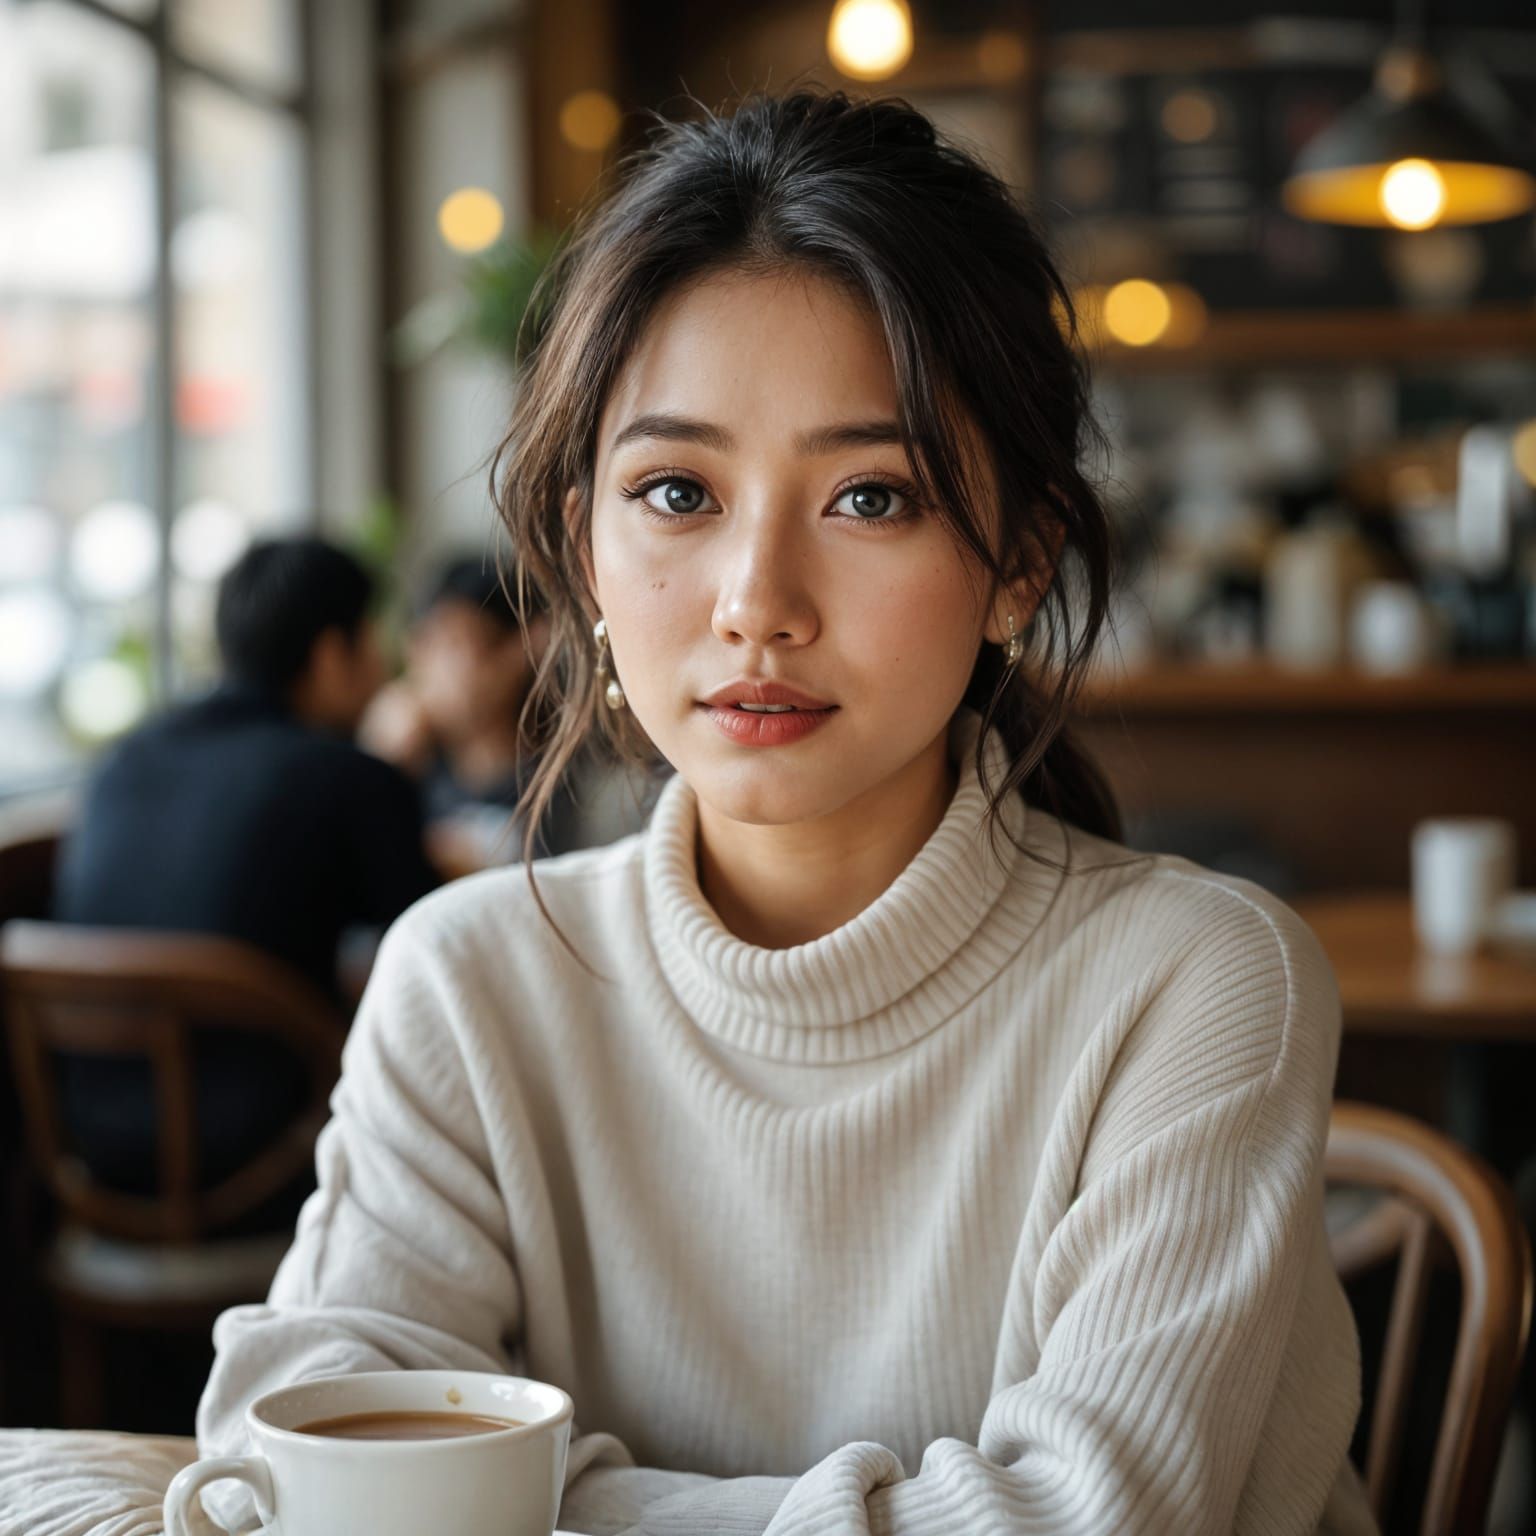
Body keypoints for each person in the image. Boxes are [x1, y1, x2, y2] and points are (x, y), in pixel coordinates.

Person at [195, 92, 1377, 1534]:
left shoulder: (1196, 983)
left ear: (1020, 566)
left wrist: (530, 1503)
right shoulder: (468, 982)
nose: (759, 601)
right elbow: (301, 1437)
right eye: (678, 490)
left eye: (872, 498)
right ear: (584, 547)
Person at [52, 535, 439, 1225]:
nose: (385, 667)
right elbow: (437, 950)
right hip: (269, 1161)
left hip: (84, 1150)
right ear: (330, 654)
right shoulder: (347, 777)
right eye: (372, 643)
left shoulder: (121, 763)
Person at [360, 556, 586, 867]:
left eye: (451, 643)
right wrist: (379, 768)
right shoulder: (414, 768)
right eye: (421, 643)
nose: (423, 665)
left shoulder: (565, 783)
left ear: (521, 650)